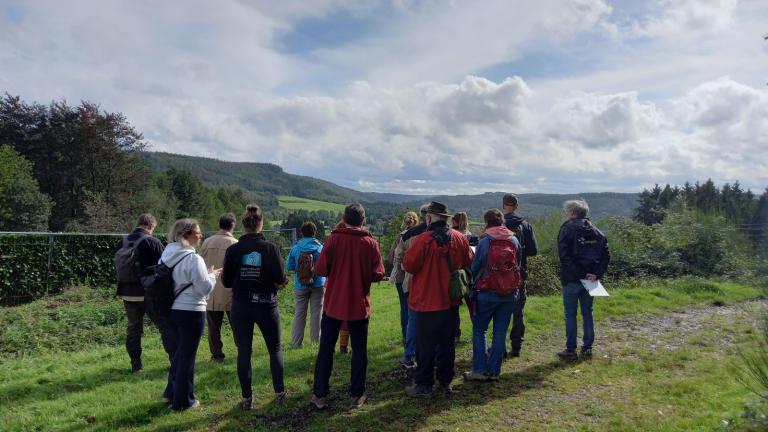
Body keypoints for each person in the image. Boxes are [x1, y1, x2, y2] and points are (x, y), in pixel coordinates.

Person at [310, 203, 385, 409]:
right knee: (359, 350)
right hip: (359, 305)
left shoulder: (333, 239)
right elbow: (379, 273)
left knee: (326, 348)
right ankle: (356, 394)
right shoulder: (370, 243)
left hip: (334, 304)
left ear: (344, 218)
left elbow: (321, 269)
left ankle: (320, 394)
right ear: (363, 220)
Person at [403, 201, 473, 398]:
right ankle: (445, 381)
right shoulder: (459, 238)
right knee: (446, 344)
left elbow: (409, 265)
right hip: (450, 301)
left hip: (426, 301)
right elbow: (469, 262)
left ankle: (424, 385)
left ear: (429, 217)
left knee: (425, 346)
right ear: (446, 218)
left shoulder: (424, 239)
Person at [223, 204, 288, 410]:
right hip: (266, 304)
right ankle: (279, 392)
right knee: (274, 349)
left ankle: (247, 398)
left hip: (241, 305)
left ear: (243, 225)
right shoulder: (270, 248)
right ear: (261, 223)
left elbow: (225, 281)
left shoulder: (233, 250)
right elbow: (280, 278)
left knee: (244, 351)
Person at [161, 218, 220, 411]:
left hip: (172, 310)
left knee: (179, 353)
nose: (201, 235)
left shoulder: (166, 255)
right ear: (185, 235)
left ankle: (171, 393)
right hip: (191, 310)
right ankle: (184, 401)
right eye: (197, 232)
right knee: (187, 356)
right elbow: (203, 288)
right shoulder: (194, 259)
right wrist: (212, 276)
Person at [463, 209, 521, 382]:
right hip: (509, 292)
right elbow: (517, 264)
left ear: (486, 222)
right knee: (500, 331)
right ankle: (494, 370)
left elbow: (475, 266)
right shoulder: (514, 239)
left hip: (487, 291)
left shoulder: (485, 240)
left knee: (480, 330)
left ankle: (479, 370)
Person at [114, 213, 174, 373]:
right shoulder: (152, 242)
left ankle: (136, 365)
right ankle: (174, 361)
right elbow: (164, 267)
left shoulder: (123, 241)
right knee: (164, 326)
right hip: (150, 293)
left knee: (133, 329)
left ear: (138, 223)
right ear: (151, 226)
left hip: (127, 292)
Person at [556, 199, 610, 360]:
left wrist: (580, 273)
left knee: (570, 314)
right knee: (588, 313)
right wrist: (595, 274)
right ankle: (587, 348)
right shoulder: (597, 232)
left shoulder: (566, 229)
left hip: (572, 279)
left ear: (572, 213)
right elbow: (606, 256)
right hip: (591, 280)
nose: (566, 214)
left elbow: (564, 257)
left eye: (567, 212)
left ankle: (571, 349)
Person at [502, 193, 538, 358]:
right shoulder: (525, 225)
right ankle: (516, 347)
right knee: (518, 312)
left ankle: (499, 347)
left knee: (500, 312)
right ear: (517, 206)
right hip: (519, 273)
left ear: (503, 205)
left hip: (499, 276)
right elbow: (533, 251)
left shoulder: (496, 224)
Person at [394, 204, 430, 368]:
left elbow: (398, 255)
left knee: (412, 317)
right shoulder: (448, 234)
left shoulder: (409, 234)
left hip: (413, 280)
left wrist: (406, 267)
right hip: (437, 283)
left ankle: (410, 354)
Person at [200, 213, 238, 362]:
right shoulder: (234, 243)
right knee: (237, 324)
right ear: (232, 226)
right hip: (229, 290)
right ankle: (242, 350)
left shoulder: (207, 242)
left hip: (210, 289)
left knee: (213, 327)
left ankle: (216, 355)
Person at [286, 221, 326, 348]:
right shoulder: (320, 248)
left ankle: (296, 343)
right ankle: (316, 342)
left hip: (300, 285)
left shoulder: (296, 248)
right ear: (315, 232)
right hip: (318, 284)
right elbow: (325, 267)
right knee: (316, 313)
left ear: (301, 233)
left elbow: (289, 266)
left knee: (299, 313)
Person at [386, 211, 419, 365]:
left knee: (404, 307)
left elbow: (391, 257)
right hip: (414, 275)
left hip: (400, 275)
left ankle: (406, 336)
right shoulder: (420, 236)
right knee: (413, 307)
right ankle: (413, 336)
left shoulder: (401, 236)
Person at [450, 211, 477, 344]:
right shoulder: (471, 236)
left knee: (454, 307)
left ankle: (456, 335)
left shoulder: (452, 235)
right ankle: (476, 333)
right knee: (472, 306)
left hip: (455, 275)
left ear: (454, 221)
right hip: (469, 274)